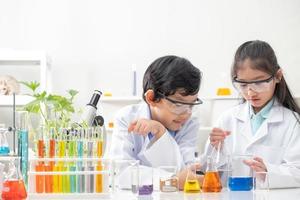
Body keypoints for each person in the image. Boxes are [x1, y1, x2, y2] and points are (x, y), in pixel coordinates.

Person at [208, 40, 300, 188]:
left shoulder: (293, 122)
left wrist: (268, 171)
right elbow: (209, 170)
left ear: (278, 76)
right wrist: (215, 149)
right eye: (243, 85)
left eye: (259, 83)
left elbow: (297, 172)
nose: (250, 92)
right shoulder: (227, 119)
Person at [109, 55, 203, 189]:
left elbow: (187, 172)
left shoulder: (189, 123)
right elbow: (120, 173)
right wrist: (172, 180)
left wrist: (161, 133)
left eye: (192, 105)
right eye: (178, 105)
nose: (187, 113)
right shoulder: (127, 118)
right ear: (152, 98)